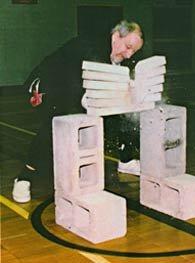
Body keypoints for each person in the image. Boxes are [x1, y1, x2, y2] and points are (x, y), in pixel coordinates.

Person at [12, 20, 144, 203]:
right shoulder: (91, 49)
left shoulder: (116, 54)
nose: (129, 54)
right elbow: (75, 88)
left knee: (121, 110)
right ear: (115, 37)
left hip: (78, 87)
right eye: (128, 47)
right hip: (51, 84)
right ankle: (24, 177)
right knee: (57, 124)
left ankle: (126, 159)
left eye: (133, 51)